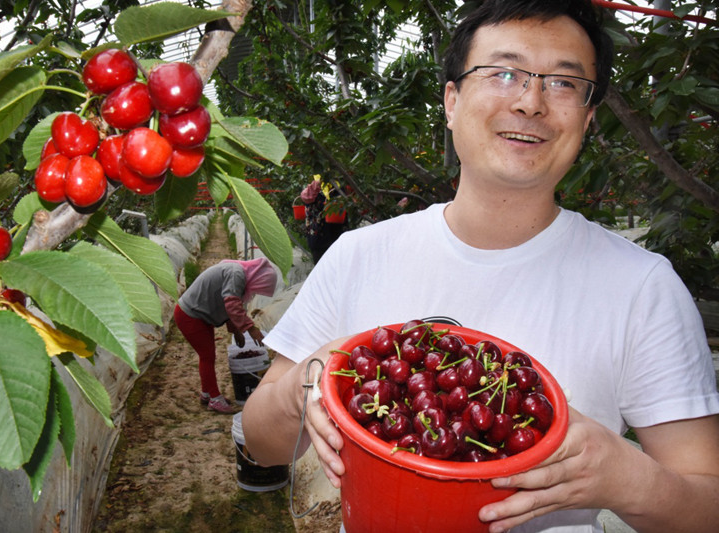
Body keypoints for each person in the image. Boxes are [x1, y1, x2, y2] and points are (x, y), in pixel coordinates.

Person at [242, 0, 719, 531]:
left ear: (587, 118)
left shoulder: (642, 287)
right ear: (451, 101)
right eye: (504, 73)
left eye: (563, 83)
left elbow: (708, 505)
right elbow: (262, 446)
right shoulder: (359, 255)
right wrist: (302, 388)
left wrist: (630, 478)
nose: (531, 102)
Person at [174, 257, 277, 413]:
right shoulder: (237, 274)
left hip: (199, 315)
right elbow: (231, 304)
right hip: (190, 316)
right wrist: (251, 329)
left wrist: (236, 331)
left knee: (208, 355)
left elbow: (226, 305)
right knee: (207, 356)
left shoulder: (237, 273)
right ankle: (215, 399)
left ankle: (207, 393)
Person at [300, 176, 347, 263]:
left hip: (338, 239)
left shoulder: (338, 187)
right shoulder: (313, 190)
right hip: (319, 241)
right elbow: (306, 197)